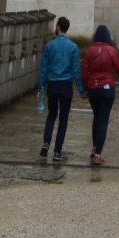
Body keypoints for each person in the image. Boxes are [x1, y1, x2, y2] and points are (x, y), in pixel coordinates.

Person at [37, 16, 84, 165]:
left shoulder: (49, 46)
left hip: (52, 84)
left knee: (51, 115)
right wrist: (82, 89)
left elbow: (43, 68)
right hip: (65, 86)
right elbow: (76, 71)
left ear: (58, 27)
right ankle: (57, 152)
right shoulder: (73, 47)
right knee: (63, 118)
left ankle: (45, 143)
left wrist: (41, 87)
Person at [80, 24, 119, 166]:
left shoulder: (89, 51)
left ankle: (94, 148)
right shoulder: (111, 50)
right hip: (107, 88)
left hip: (93, 88)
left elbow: (83, 71)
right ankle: (98, 154)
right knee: (103, 120)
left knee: (96, 117)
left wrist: (84, 88)